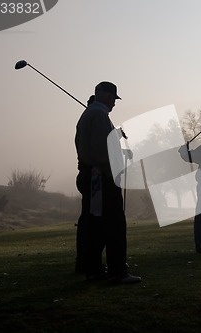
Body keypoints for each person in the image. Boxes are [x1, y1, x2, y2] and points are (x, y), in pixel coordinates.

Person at [75, 82, 141, 283]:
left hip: (92, 175)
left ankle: (94, 270)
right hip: (102, 178)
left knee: (96, 226)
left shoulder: (91, 114)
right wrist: (116, 171)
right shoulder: (100, 115)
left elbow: (99, 146)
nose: (114, 103)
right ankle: (117, 271)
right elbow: (102, 152)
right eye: (113, 97)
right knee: (114, 226)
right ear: (104, 95)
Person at [74, 95, 96, 274]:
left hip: (85, 173)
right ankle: (88, 263)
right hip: (91, 174)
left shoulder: (83, 121)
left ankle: (84, 261)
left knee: (88, 220)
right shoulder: (91, 120)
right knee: (92, 221)